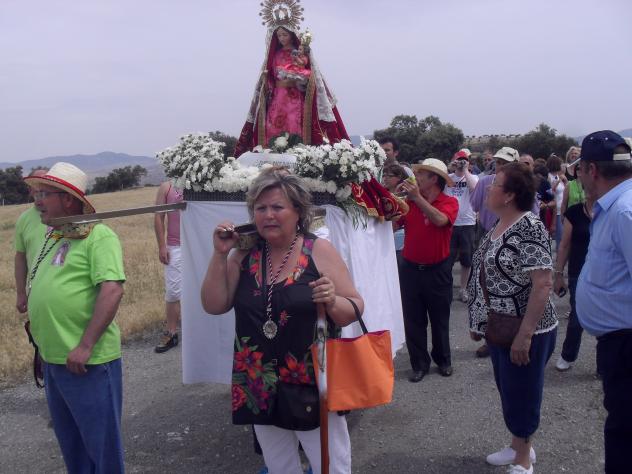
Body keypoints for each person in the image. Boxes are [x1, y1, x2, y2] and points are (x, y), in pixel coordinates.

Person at [201, 169, 363, 474]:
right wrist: (220, 255)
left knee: (331, 466)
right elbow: (214, 305)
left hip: (313, 381)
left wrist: (331, 300)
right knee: (279, 466)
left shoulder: (318, 251)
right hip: (258, 381)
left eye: (277, 207)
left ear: (298, 211)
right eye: (260, 208)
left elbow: (354, 307)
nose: (268, 215)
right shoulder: (243, 256)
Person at [24, 162, 126, 474]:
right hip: (55, 361)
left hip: (87, 362)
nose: (37, 201)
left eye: (44, 194)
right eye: (36, 194)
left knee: (102, 450)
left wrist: (85, 345)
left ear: (68, 199)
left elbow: (112, 290)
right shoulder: (56, 235)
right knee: (73, 449)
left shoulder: (99, 236)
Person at [467, 162, 557, 474]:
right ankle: (520, 446)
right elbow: (484, 276)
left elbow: (543, 283)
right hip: (500, 326)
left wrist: (525, 334)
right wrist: (479, 321)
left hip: (527, 328)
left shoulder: (529, 226)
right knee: (509, 390)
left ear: (509, 195)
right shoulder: (499, 224)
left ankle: (523, 460)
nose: (488, 188)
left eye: (495, 185)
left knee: (523, 393)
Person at [574, 130, 632, 473]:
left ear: (591, 170)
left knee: (624, 434)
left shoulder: (624, 211)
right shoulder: (615, 206)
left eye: (580, 170)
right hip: (618, 342)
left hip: (626, 345)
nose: (579, 178)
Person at [234, 12, 348, 156]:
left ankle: (295, 155)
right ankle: (273, 157)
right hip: (278, 98)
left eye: (285, 35)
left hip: (294, 97)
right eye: (279, 35)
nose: (282, 38)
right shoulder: (275, 55)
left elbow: (309, 72)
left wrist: (301, 76)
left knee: (294, 124)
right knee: (273, 125)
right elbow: (271, 76)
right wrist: (266, 82)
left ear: (292, 35)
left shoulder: (299, 53)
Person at [396, 159, 458, 382]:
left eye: (421, 174)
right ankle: (419, 363)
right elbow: (392, 224)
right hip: (410, 269)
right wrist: (389, 203)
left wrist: (417, 199)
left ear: (434, 179)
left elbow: (440, 220)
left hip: (437, 270)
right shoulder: (410, 202)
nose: (416, 178)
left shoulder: (449, 202)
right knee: (413, 319)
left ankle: (443, 359)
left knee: (440, 318)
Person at [469, 146, 522, 358]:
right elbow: (474, 205)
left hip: (512, 236)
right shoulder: (484, 182)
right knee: (485, 286)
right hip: (488, 233)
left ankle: (515, 333)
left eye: (506, 163)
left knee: (511, 288)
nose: (500, 166)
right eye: (499, 162)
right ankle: (489, 336)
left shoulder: (521, 186)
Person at [553, 196, 593, 371]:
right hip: (578, 272)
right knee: (577, 316)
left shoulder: (610, 212)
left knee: (608, 317)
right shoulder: (575, 212)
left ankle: (605, 363)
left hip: (603, 274)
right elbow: (564, 245)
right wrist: (558, 275)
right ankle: (568, 354)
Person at [153, 180, 183, 353]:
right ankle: (171, 333)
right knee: (173, 291)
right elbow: (158, 216)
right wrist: (162, 246)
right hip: (175, 246)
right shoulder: (167, 187)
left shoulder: (203, 180)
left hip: (198, 245)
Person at [445, 150, 479, 302]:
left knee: (467, 259)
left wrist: (465, 170)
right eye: (459, 160)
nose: (461, 163)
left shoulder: (473, 177)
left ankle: (463, 289)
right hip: (450, 222)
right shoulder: (448, 178)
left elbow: (474, 188)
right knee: (448, 258)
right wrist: (450, 167)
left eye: (464, 160)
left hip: (467, 223)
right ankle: (447, 287)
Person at [14, 168, 48, 315]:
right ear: (30, 190)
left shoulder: (66, 216)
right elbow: (20, 258)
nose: (39, 189)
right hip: (36, 291)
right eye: (35, 186)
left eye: (44, 184)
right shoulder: (24, 219)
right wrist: (21, 293)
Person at [546, 154, 566, 249]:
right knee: (558, 235)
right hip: (554, 210)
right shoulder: (549, 177)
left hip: (561, 209)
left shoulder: (559, 176)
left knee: (561, 236)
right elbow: (551, 192)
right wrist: (558, 182)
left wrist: (564, 181)